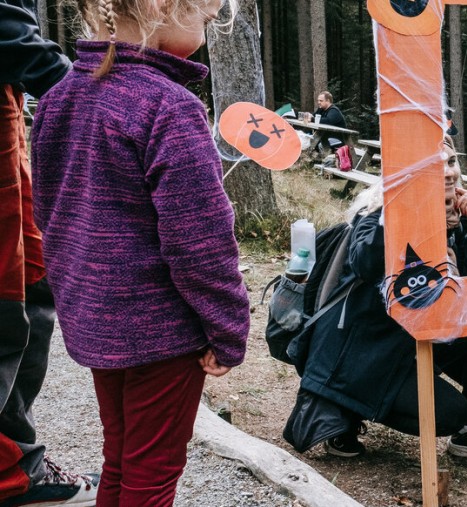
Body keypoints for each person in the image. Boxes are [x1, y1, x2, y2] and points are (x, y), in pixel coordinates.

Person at [28, 0, 250, 505]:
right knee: (153, 473)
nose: (208, 27)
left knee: (120, 456)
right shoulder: (169, 107)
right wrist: (228, 327)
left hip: (96, 323)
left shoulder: (60, 98)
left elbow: (51, 215)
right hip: (163, 332)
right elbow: (200, 242)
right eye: (206, 16)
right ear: (163, 7)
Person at [285, 135, 467, 468]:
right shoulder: (378, 213)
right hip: (366, 352)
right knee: (447, 412)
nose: (449, 172)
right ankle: (347, 406)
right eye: (435, 166)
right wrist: (401, 205)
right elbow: (365, 262)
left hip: (413, 342)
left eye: (451, 162)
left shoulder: (452, 221)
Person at [0, 1, 102, 505]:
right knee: (6, 300)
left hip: (10, 100)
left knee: (30, 283)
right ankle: (7, 473)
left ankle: (16, 461)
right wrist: (94, 98)